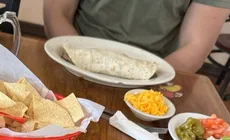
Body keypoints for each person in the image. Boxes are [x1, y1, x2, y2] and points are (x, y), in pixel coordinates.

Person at [43, 0, 230, 73]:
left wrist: (150, 79)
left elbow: (195, 46)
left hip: (158, 75)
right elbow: (57, 13)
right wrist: (76, 62)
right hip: (70, 61)